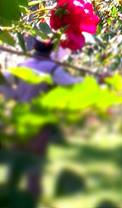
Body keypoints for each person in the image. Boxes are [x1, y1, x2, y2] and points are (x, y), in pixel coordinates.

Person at [2, 39, 81, 203]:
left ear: (34, 48)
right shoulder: (52, 69)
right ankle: (30, 200)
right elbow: (72, 85)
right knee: (34, 168)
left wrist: (14, 95)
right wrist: (98, 81)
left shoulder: (22, 66)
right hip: (39, 121)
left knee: (16, 163)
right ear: (51, 50)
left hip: (20, 117)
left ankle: (9, 198)